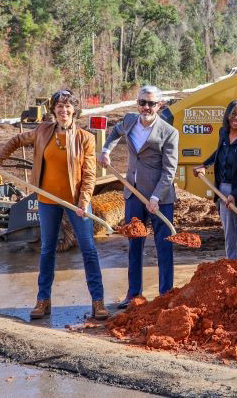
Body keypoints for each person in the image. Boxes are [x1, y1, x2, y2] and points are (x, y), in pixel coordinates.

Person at [0, 90, 108, 320]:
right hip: (47, 201)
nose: (63, 110)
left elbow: (90, 174)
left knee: (89, 250)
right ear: (53, 110)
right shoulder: (43, 131)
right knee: (47, 250)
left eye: (67, 106)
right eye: (59, 107)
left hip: (76, 203)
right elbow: (16, 140)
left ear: (74, 109)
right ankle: (43, 301)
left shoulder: (86, 138)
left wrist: (83, 201)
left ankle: (98, 302)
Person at [97, 85, 179, 309]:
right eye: (143, 102)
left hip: (160, 198)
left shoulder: (169, 132)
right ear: (137, 103)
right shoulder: (130, 120)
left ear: (159, 105)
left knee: (164, 246)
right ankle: (134, 294)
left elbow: (169, 171)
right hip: (132, 192)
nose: (146, 107)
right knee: (134, 244)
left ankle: (165, 295)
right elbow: (114, 133)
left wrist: (155, 197)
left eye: (151, 103)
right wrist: (106, 151)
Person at [193, 100, 237, 267]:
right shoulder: (223, 134)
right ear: (227, 116)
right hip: (224, 191)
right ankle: (232, 272)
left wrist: (235, 195)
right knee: (230, 237)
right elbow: (219, 152)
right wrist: (204, 164)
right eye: (233, 114)